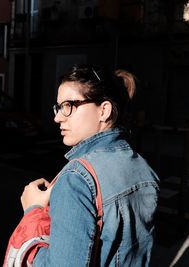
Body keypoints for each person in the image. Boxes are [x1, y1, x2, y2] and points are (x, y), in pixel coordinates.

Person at [19, 64, 160, 266]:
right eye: (58, 107)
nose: (57, 117)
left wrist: (33, 212)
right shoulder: (143, 167)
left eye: (68, 106)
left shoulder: (76, 179)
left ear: (104, 110)